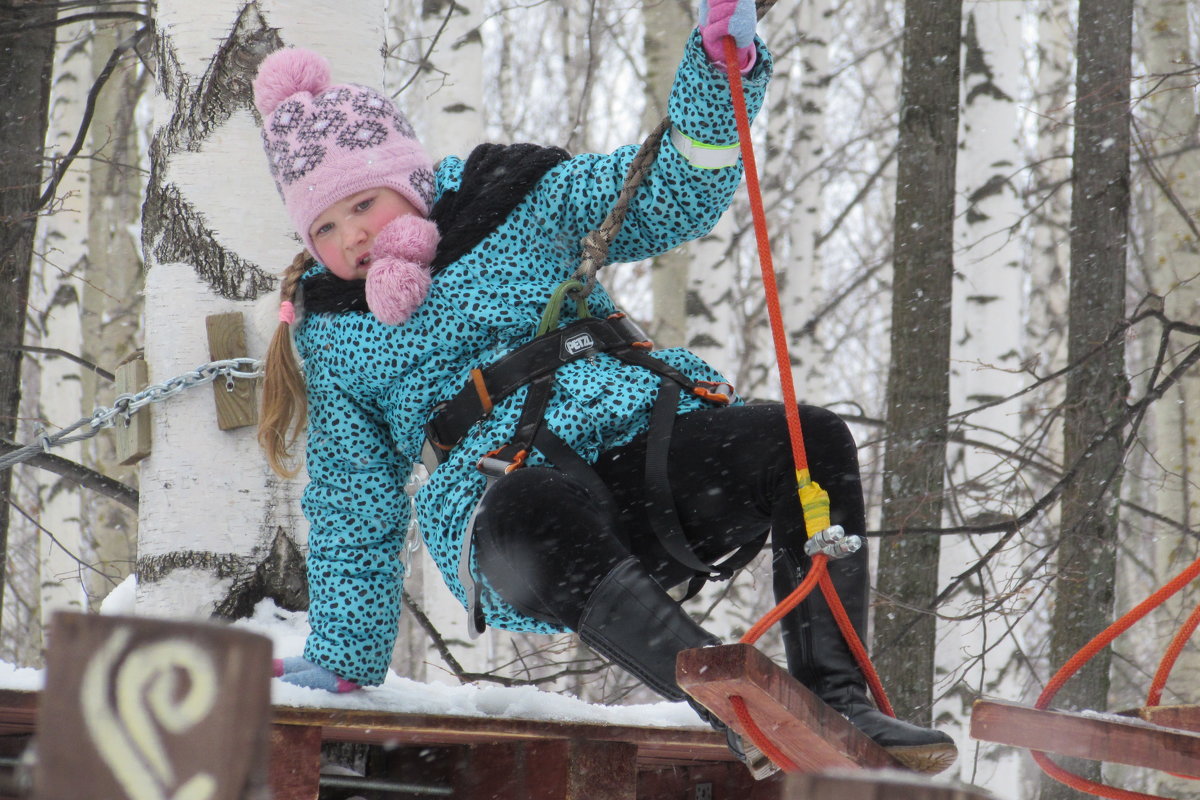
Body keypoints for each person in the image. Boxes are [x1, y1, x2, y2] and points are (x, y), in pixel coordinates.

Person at [252, 0, 956, 777]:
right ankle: (739, 707)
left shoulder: (516, 198)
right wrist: (343, 655)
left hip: (640, 443)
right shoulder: (339, 331)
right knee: (529, 507)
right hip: (512, 503)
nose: (351, 236)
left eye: (363, 203)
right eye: (324, 228)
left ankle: (839, 697)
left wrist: (719, 71)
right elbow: (356, 500)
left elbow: (669, 190)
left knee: (808, 439)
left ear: (408, 176)